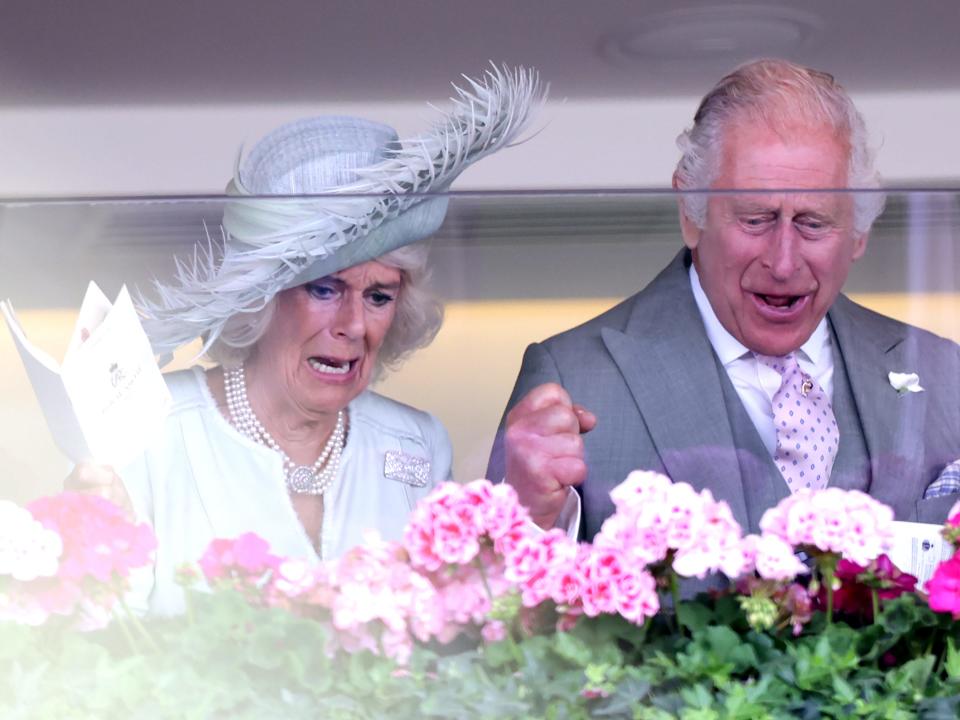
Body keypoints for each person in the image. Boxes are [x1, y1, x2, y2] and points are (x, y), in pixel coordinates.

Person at [68, 66, 544, 614]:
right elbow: (98, 650)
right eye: (325, 288)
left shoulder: (416, 443)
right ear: (261, 299)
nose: (354, 324)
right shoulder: (149, 428)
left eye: (379, 296)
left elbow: (454, 637)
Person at [489, 59, 960, 541]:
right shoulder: (573, 377)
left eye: (813, 223)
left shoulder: (946, 375)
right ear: (691, 214)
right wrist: (526, 515)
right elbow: (492, 604)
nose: (783, 262)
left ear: (859, 232)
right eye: (755, 219)